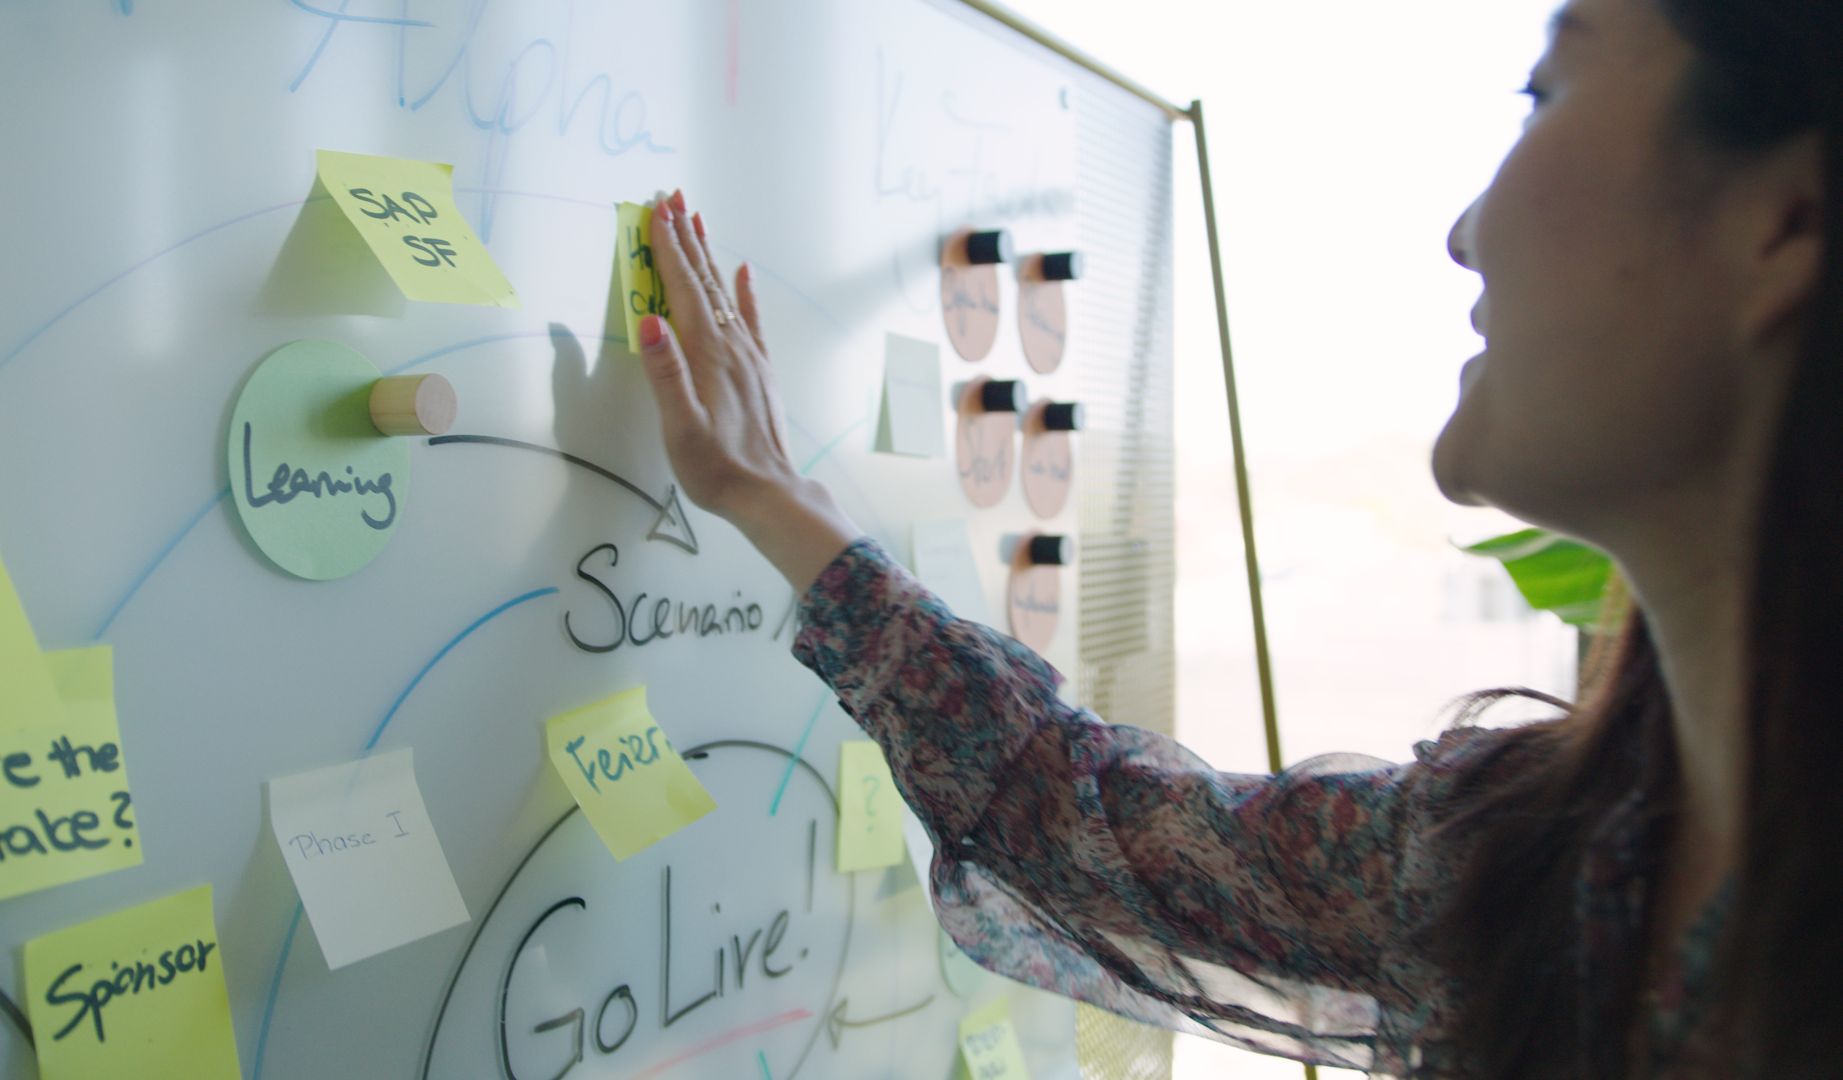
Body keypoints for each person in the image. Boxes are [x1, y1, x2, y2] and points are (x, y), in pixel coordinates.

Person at [629, 0, 1840, 1074]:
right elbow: (1084, 823)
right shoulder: (1532, 851)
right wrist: (774, 496)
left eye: (1545, 91)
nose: (1466, 231)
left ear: (1786, 223)